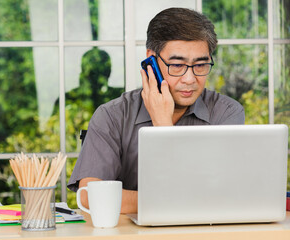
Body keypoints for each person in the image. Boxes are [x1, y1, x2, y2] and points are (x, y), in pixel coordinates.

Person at [68, 7, 245, 214]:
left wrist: (163, 126)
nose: (189, 79)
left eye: (200, 65)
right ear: (151, 60)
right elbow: (90, 196)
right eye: (177, 65)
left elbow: (226, 194)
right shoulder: (112, 116)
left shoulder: (226, 114)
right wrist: (173, 199)